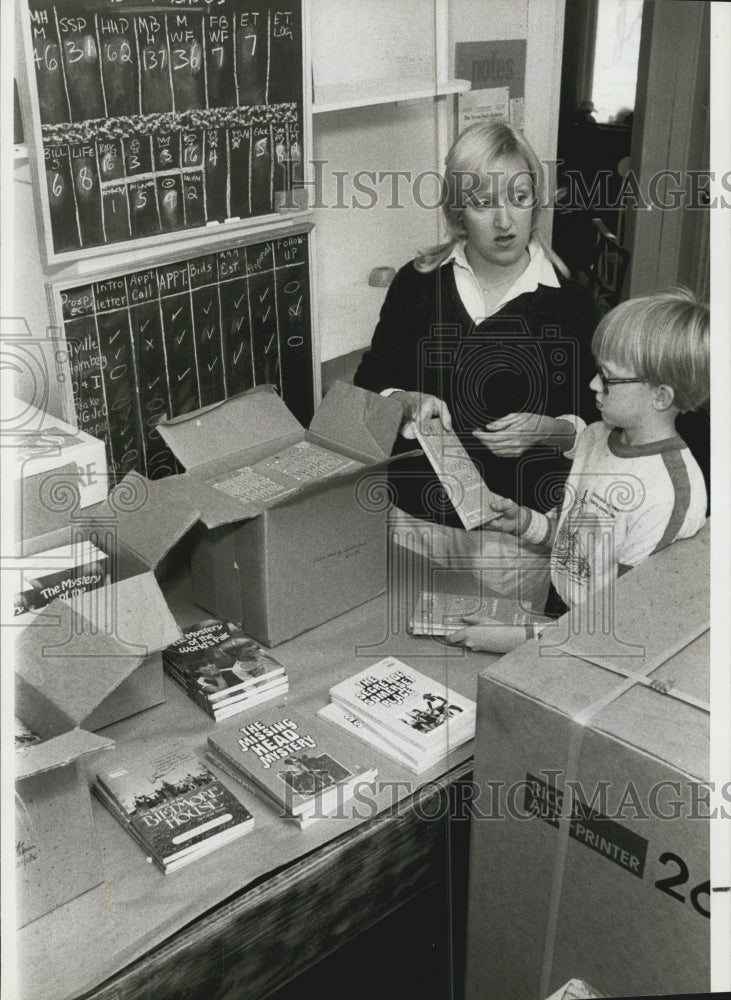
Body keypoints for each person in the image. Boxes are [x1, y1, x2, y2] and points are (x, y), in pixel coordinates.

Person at [353, 120, 600, 607]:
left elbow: (598, 426)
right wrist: (405, 400)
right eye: (485, 203)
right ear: (458, 212)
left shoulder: (571, 305)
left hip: (508, 540)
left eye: (520, 198)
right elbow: (369, 383)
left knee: (484, 670)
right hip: (413, 520)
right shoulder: (419, 284)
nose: (505, 221)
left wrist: (546, 429)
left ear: (537, 203)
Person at [448, 288, 709, 652]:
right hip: (562, 616)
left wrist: (513, 640)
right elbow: (579, 544)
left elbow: (622, 620)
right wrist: (525, 522)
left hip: (600, 642)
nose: (592, 385)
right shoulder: (596, 438)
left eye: (608, 378)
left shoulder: (669, 493)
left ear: (661, 397)